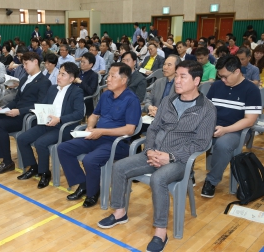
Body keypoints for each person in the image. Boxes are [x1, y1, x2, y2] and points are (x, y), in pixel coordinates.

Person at [97, 60, 216, 252]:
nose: (177, 80)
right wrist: (150, 150)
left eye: (182, 76)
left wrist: (170, 156)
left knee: (159, 179)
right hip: (154, 153)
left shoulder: (206, 108)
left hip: (180, 161)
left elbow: (201, 143)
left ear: (196, 81)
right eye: (176, 76)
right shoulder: (169, 101)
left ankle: (160, 231)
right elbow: (153, 128)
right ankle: (120, 212)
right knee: (119, 167)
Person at [57, 62, 141, 208]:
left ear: (123, 80)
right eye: (108, 75)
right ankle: (84, 184)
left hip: (117, 143)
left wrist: (101, 131)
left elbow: (129, 130)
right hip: (97, 136)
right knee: (63, 148)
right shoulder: (106, 95)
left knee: (90, 160)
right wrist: (90, 126)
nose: (107, 79)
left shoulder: (131, 100)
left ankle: (92, 193)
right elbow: (94, 115)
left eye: (112, 76)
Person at [0, 52, 51, 175]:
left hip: (27, 116)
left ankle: (7, 162)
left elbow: (40, 105)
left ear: (35, 62)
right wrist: (3, 108)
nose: (24, 66)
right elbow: (17, 100)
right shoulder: (24, 79)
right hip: (16, 112)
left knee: (0, 124)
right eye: (23, 64)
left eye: (26, 63)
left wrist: (19, 111)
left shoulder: (44, 82)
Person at [202, 55, 262, 198]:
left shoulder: (251, 90)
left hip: (236, 130)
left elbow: (249, 120)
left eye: (225, 77)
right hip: (214, 126)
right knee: (186, 134)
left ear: (236, 71)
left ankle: (211, 181)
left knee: (223, 145)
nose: (222, 80)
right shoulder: (217, 86)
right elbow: (207, 110)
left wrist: (225, 130)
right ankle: (187, 174)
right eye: (220, 76)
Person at [16, 62, 84, 188]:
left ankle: (45, 173)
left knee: (40, 143)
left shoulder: (76, 92)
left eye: (63, 74)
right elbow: (44, 104)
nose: (59, 76)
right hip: (47, 123)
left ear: (71, 78)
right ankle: (33, 167)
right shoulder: (53, 88)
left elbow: (79, 114)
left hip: (63, 127)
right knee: (22, 138)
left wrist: (59, 119)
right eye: (59, 73)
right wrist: (40, 113)